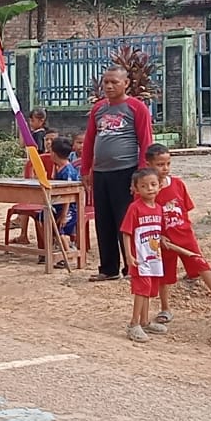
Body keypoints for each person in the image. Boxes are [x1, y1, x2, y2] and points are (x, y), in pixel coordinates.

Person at [82, 66, 155, 281]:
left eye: (114, 82)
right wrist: (86, 169)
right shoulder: (98, 109)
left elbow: (145, 141)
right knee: (103, 220)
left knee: (126, 220)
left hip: (126, 172)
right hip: (101, 173)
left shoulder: (136, 108)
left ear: (126, 84)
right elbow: (89, 141)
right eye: (106, 82)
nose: (109, 86)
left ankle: (131, 266)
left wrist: (141, 176)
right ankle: (108, 268)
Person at [145, 144, 211, 316]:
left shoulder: (178, 184)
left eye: (168, 164)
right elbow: (144, 215)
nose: (165, 168)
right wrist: (158, 236)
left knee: (200, 263)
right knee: (165, 274)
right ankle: (165, 308)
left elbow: (185, 209)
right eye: (160, 164)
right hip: (163, 240)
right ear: (148, 164)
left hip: (184, 235)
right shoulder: (146, 189)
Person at [120, 168, 168, 343]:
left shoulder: (159, 209)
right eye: (144, 186)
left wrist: (162, 239)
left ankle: (145, 321)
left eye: (153, 184)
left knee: (149, 289)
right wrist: (128, 256)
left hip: (154, 257)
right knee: (141, 289)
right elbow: (126, 232)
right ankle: (133, 324)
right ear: (136, 188)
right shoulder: (134, 208)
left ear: (160, 185)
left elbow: (157, 231)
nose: (150, 189)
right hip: (139, 258)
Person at [37, 136, 80, 267]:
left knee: (60, 229)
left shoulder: (67, 171)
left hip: (67, 208)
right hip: (57, 206)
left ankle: (68, 255)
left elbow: (67, 195)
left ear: (54, 154)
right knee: (42, 216)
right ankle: (52, 249)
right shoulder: (59, 168)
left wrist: (63, 215)